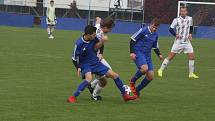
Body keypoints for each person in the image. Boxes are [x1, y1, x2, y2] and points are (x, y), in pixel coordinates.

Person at [68, 25, 137, 103]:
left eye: (95, 34)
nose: (95, 36)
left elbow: (100, 45)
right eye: (93, 35)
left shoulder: (94, 39)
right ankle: (73, 96)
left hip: (96, 63)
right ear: (87, 34)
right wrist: (78, 67)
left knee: (115, 75)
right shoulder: (79, 43)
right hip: (85, 64)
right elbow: (73, 58)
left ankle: (125, 95)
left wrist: (101, 51)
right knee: (89, 79)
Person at [158, 7, 199, 79]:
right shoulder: (176, 20)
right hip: (178, 42)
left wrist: (190, 34)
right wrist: (175, 35)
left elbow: (191, 27)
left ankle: (191, 74)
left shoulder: (190, 19)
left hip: (187, 42)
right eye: (181, 11)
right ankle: (160, 70)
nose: (182, 12)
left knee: (192, 57)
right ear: (180, 12)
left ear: (186, 12)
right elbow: (170, 29)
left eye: (184, 11)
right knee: (170, 57)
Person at [129, 18, 163, 98]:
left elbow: (154, 46)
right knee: (144, 68)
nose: (154, 29)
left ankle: (137, 90)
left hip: (147, 55)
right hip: (139, 52)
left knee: (151, 76)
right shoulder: (143, 30)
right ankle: (132, 81)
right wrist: (132, 52)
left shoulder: (156, 35)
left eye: (156, 28)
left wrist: (159, 54)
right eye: (154, 27)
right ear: (151, 24)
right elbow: (132, 39)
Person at [87, 17, 115, 101]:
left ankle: (91, 85)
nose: (111, 30)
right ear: (106, 27)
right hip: (93, 58)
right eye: (110, 29)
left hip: (97, 56)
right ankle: (94, 95)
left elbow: (98, 21)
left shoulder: (98, 27)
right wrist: (102, 41)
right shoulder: (98, 34)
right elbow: (95, 47)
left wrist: (98, 19)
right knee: (106, 78)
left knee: (109, 72)